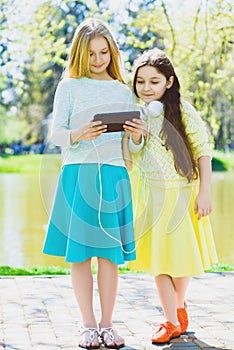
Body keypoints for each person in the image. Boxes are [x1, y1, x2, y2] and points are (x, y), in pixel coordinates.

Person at [43, 18, 144, 349]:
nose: (98, 60)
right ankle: (87, 326)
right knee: (81, 257)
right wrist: (77, 134)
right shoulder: (69, 87)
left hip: (114, 175)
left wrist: (138, 137)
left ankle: (107, 325)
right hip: (78, 173)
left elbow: (132, 149)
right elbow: (55, 134)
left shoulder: (121, 90)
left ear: (112, 52)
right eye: (91, 53)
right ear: (79, 54)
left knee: (110, 257)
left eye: (104, 52)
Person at [128, 48, 218, 344]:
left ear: (168, 82)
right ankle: (170, 319)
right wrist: (137, 137)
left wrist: (204, 193)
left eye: (154, 81)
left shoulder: (184, 110)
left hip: (183, 194)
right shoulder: (138, 116)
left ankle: (177, 309)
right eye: (141, 82)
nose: (146, 88)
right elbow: (134, 157)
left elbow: (203, 151)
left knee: (180, 260)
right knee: (160, 262)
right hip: (154, 197)